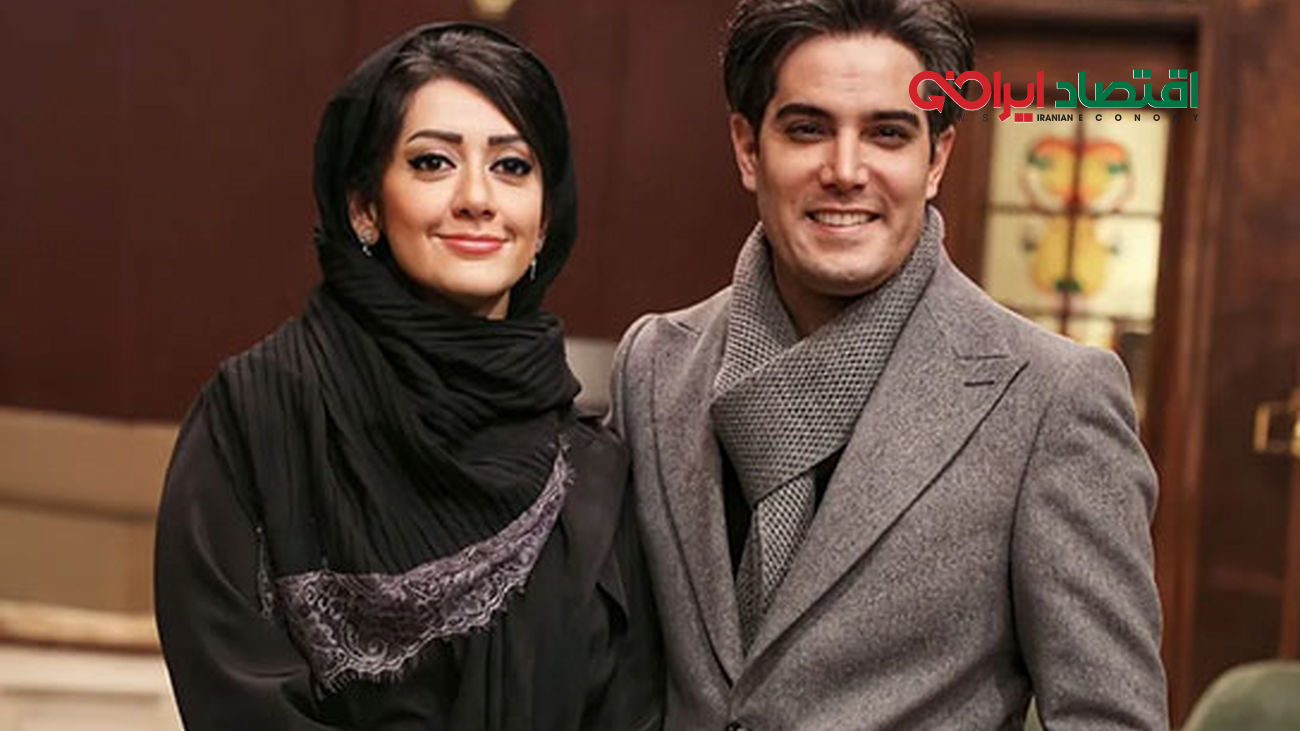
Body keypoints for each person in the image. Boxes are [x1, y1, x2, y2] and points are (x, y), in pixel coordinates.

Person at [607, 0, 1167, 728]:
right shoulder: (654, 367)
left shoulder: (1052, 397)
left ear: (936, 159)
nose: (845, 170)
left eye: (888, 133)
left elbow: (1109, 716)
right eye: (808, 129)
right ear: (748, 148)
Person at [155, 23, 660, 731]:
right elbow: (236, 699)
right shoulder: (257, 417)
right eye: (433, 163)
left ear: (545, 219)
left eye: (512, 166)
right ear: (364, 207)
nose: (477, 197)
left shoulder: (593, 475)